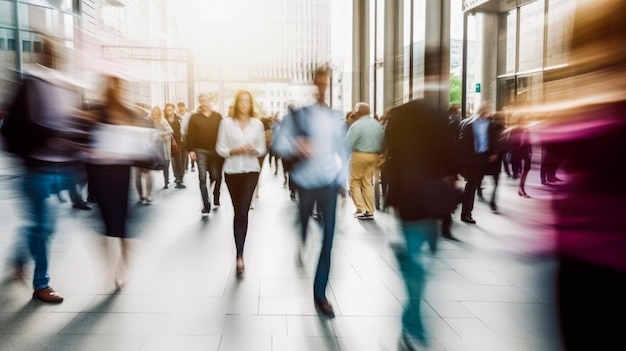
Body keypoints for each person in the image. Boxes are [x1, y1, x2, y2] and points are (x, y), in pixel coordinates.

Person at [6, 39, 85, 303]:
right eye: (52, 51)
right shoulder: (29, 84)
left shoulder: (65, 86)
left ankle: (19, 258)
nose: (56, 56)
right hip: (37, 168)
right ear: (44, 54)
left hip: (61, 168)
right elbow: (14, 130)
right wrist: (53, 136)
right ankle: (42, 284)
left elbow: (71, 124)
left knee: (46, 227)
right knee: (44, 224)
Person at [271, 66, 348, 318]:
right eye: (320, 83)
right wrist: (297, 145)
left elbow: (342, 152)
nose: (324, 87)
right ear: (314, 84)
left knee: (328, 240)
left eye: (327, 83)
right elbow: (278, 145)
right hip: (305, 182)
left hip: (328, 183)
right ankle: (302, 237)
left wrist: (342, 181)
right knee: (304, 218)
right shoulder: (299, 115)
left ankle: (320, 293)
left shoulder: (336, 119)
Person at [384, 98, 458, 350]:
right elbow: (450, 152)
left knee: (418, 260)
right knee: (420, 263)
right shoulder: (436, 117)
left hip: (409, 199)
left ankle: (412, 320)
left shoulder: (399, 117)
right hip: (427, 200)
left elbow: (390, 149)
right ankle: (413, 324)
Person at [86, 75, 150, 290]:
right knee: (105, 226)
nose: (115, 90)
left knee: (122, 227)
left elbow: (140, 145)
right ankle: (110, 271)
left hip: (121, 177)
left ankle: (121, 270)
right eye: (111, 87)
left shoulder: (128, 113)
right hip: (100, 176)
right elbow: (86, 141)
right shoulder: (97, 112)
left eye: (119, 86)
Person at [216, 90, 266, 275]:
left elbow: (262, 148)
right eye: (241, 101)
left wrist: (255, 150)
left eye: (247, 101)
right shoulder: (226, 123)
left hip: (251, 170)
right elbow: (220, 147)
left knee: (244, 209)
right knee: (238, 211)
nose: (244, 103)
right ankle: (239, 250)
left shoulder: (257, 124)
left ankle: (240, 256)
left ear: (251, 103)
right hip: (232, 171)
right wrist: (234, 151)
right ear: (236, 103)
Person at [459, 101, 499, 224]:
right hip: (473, 158)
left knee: (475, 185)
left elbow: (495, 140)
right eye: (486, 109)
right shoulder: (469, 124)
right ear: (481, 110)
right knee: (471, 185)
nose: (488, 112)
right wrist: (464, 161)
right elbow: (463, 143)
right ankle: (466, 213)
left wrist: (494, 153)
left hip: (485, 159)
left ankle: (464, 204)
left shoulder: (491, 125)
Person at [186, 93, 224, 214]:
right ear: (200, 102)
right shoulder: (194, 117)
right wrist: (190, 150)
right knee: (202, 178)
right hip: (200, 150)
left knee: (216, 176)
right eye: (201, 100)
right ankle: (206, 204)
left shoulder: (217, 117)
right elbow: (189, 134)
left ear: (210, 101)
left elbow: (223, 132)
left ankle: (215, 194)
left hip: (215, 151)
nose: (204, 102)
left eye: (205, 100)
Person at [346, 102, 384, 220]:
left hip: (359, 155)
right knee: (368, 183)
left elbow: (349, 143)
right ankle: (369, 211)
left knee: (354, 182)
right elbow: (382, 140)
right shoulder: (376, 125)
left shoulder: (357, 125)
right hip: (373, 156)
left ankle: (360, 208)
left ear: (359, 112)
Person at [441, 103, 462, 239]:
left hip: (444, 170)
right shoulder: (454, 126)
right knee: (447, 195)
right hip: (447, 169)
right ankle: (446, 225)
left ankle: (445, 222)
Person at [506, 112, 532, 197]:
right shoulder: (514, 130)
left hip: (525, 154)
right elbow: (509, 142)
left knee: (526, 169)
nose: (526, 121)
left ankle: (521, 188)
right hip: (517, 153)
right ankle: (521, 189)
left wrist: (530, 152)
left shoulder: (526, 129)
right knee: (521, 171)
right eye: (524, 120)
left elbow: (529, 142)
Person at [164, 103, 185, 189]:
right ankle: (166, 180)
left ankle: (179, 180)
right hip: (167, 143)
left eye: (170, 109)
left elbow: (182, 132)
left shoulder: (179, 119)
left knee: (178, 162)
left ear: (173, 110)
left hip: (177, 143)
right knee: (168, 163)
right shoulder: (164, 120)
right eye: (167, 110)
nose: (169, 112)